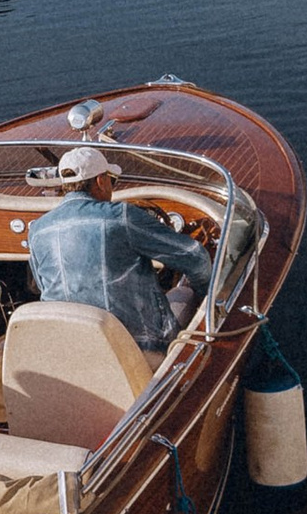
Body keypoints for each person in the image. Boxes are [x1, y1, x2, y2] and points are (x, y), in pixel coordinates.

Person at [25, 142, 210, 357]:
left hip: (73, 351)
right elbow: (196, 258)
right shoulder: (121, 217)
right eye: (112, 180)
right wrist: (207, 295)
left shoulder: (37, 230)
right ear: (101, 181)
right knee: (185, 292)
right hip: (138, 350)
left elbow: (40, 285)